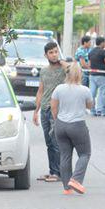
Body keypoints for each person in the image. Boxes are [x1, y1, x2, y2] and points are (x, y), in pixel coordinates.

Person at [49, 63, 94, 195]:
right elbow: (90, 106)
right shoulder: (84, 90)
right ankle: (76, 179)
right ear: (80, 74)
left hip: (61, 125)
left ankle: (66, 188)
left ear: (66, 74)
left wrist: (58, 120)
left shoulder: (59, 88)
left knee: (65, 155)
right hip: (78, 125)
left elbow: (53, 107)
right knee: (85, 153)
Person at [33, 41, 68, 183]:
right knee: (49, 142)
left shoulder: (63, 68)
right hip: (45, 109)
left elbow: (75, 72)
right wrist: (36, 110)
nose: (54, 55)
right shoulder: (44, 71)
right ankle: (52, 171)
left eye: (56, 52)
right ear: (45, 55)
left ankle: (59, 173)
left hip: (57, 110)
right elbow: (41, 90)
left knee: (55, 141)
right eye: (51, 53)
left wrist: (63, 62)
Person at [87, 36, 105, 116]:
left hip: (92, 75)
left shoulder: (91, 52)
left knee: (92, 93)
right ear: (102, 43)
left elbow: (89, 64)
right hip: (102, 75)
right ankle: (100, 110)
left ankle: (92, 110)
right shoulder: (103, 52)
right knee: (102, 93)